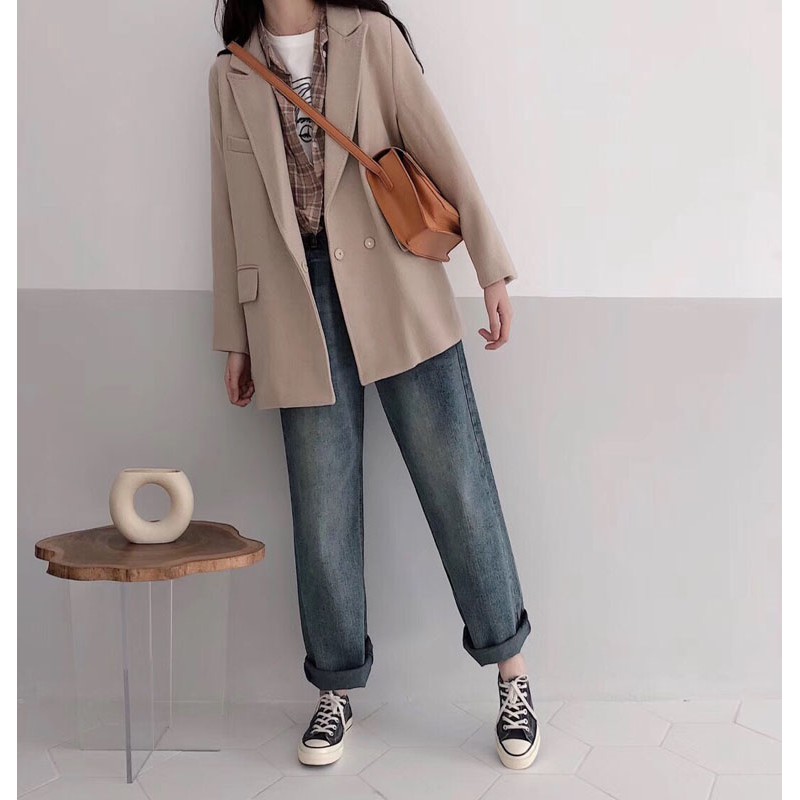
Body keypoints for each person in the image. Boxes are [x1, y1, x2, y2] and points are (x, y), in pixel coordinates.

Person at [209, 0, 539, 770]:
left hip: (396, 282)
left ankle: (512, 672)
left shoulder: (374, 37)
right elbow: (228, 211)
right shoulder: (230, 72)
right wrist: (236, 336)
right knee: (322, 504)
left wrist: (491, 266)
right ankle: (334, 687)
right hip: (293, 302)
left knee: (457, 483)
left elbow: (439, 149)